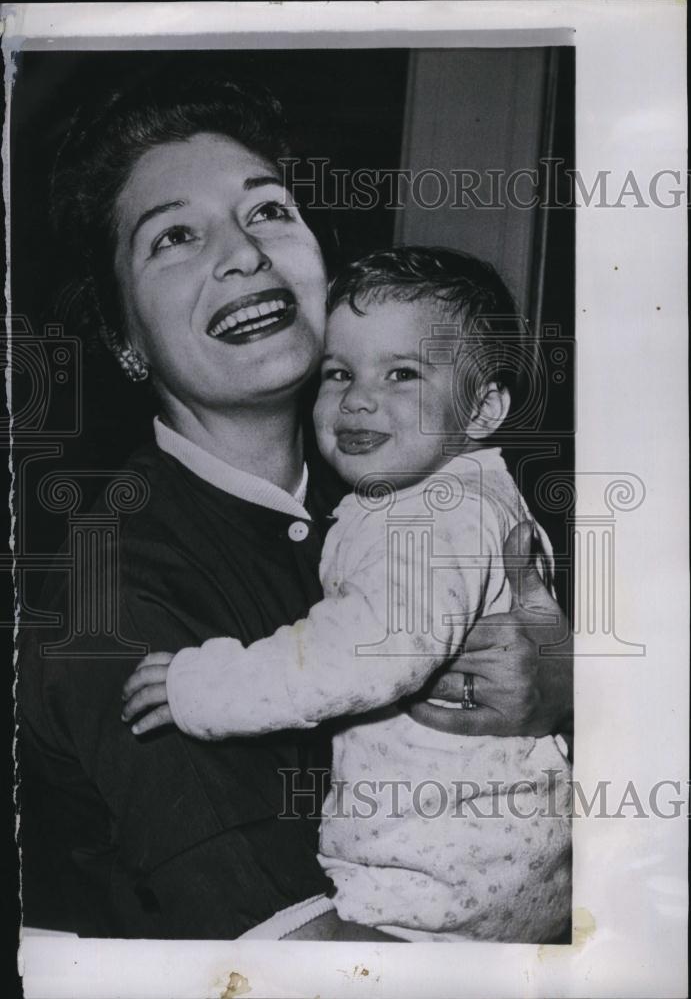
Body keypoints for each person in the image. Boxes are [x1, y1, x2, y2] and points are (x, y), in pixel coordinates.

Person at [18, 72, 573, 941]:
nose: (242, 253)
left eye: (268, 210)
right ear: (124, 338)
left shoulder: (406, 487)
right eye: (173, 237)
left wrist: (568, 683)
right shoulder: (109, 601)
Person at [121, 246, 572, 943]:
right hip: (487, 869)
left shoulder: (433, 514)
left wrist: (203, 687)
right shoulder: (428, 494)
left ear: (482, 408)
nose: (359, 398)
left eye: (401, 373)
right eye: (338, 373)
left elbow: (363, 651)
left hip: (436, 882)